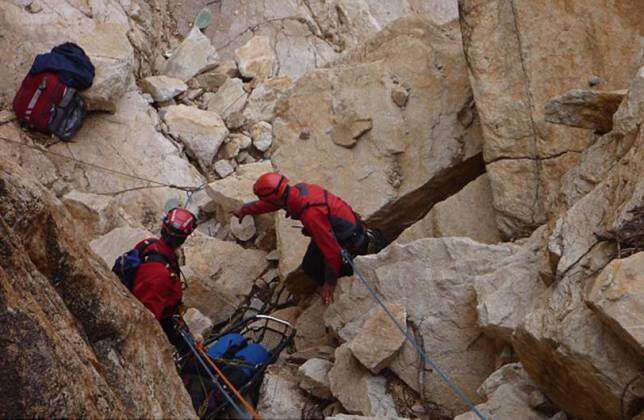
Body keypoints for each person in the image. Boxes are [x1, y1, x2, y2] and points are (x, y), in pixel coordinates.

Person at [234, 172, 382, 304]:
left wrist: (329, 284)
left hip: (346, 239)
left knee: (312, 267)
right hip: (344, 227)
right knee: (310, 263)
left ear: (276, 199)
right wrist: (245, 210)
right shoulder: (299, 190)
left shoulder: (311, 214)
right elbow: (271, 204)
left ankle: (341, 284)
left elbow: (332, 252)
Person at [131, 207, 197, 348]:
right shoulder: (160, 274)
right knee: (193, 357)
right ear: (182, 239)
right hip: (162, 320)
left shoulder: (149, 244)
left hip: (165, 312)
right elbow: (148, 318)